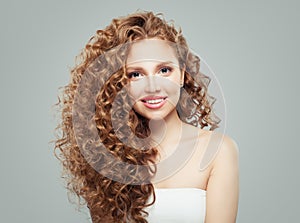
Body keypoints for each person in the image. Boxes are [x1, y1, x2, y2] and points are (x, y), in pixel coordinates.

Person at [54, 11, 239, 223]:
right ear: (118, 85)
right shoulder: (105, 154)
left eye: (164, 70)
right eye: (135, 74)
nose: (153, 86)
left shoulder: (218, 151)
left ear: (182, 74)